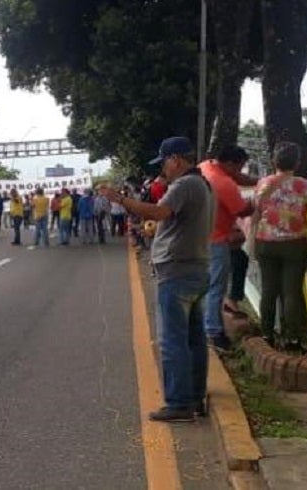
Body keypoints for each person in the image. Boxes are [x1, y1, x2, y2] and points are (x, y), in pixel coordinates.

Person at [101, 136, 213, 422]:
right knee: (193, 338)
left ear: (175, 159)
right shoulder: (202, 184)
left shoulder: (185, 184)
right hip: (195, 267)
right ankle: (195, 396)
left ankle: (179, 403)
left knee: (173, 340)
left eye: (164, 162)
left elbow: (159, 211)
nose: (163, 169)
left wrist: (121, 199)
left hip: (177, 270)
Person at [253, 142, 307, 350]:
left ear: (274, 161)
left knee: (268, 290)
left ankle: (266, 335)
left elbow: (257, 208)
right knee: (291, 291)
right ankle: (292, 339)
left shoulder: (263, 183)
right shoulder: (306, 186)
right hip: (295, 243)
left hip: (266, 242)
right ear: (297, 163)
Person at [199, 145, 254, 350]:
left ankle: (208, 323)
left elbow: (239, 180)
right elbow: (243, 210)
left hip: (200, 235)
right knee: (216, 288)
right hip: (216, 239)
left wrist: (261, 182)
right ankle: (213, 331)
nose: (240, 173)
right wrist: (257, 200)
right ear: (230, 164)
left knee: (207, 285)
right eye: (239, 168)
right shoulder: (223, 183)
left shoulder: (206, 167)